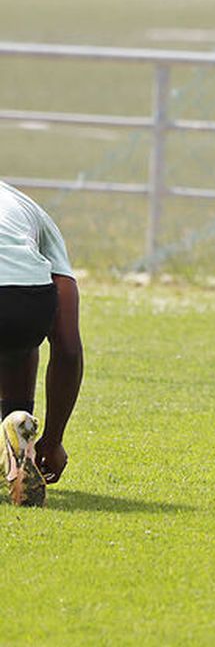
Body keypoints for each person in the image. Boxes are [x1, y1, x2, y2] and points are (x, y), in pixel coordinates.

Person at [0, 181, 84, 507]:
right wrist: (53, 439)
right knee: (18, 341)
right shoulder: (27, 209)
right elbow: (68, 347)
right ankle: (16, 428)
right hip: (28, 302)